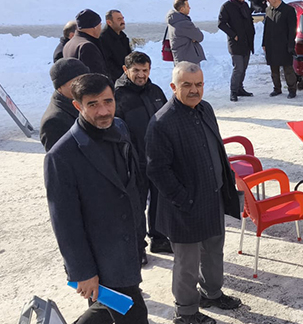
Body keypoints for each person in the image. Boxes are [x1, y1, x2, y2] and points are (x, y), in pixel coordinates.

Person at [44, 73, 149, 323]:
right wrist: (83, 272)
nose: (103, 111)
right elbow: (65, 222)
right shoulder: (62, 156)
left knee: (111, 312)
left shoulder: (120, 127)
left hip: (128, 249)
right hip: (101, 260)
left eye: (108, 101)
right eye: (93, 104)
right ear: (78, 105)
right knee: (130, 314)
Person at [146, 62, 243, 324]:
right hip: (185, 208)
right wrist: (185, 199)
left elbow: (217, 150)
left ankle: (212, 293)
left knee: (214, 252)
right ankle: (186, 311)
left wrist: (227, 184)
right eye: (187, 85)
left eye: (198, 84)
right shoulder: (162, 122)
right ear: (173, 87)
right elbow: (158, 171)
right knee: (187, 264)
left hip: (213, 199)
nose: (194, 90)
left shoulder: (205, 108)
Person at [114, 52, 170, 256]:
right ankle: (138, 248)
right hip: (133, 162)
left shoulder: (154, 91)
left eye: (145, 70)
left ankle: (159, 238)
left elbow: (167, 118)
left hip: (157, 159)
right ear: (125, 70)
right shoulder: (117, 96)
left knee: (160, 200)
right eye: (136, 70)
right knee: (136, 206)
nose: (141, 75)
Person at [40, 58, 90, 151]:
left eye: (85, 79)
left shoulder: (86, 101)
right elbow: (59, 160)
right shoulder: (53, 122)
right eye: (75, 83)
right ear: (59, 87)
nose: (83, 85)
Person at [218, 0, 256, 102]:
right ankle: (233, 91)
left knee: (244, 68)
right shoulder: (226, 7)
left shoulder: (244, 5)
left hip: (247, 42)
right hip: (235, 43)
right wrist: (233, 34)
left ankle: (240, 88)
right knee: (238, 68)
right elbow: (221, 23)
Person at [263, 0, 298, 98]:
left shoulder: (288, 10)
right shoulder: (268, 10)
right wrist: (264, 43)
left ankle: (292, 90)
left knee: (288, 70)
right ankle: (277, 88)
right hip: (271, 46)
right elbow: (266, 28)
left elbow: (292, 30)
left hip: (284, 45)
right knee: (274, 70)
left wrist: (291, 46)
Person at [64, 9, 108, 77]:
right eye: (100, 25)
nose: (100, 28)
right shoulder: (87, 46)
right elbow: (96, 76)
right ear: (95, 27)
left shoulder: (69, 44)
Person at [167, 0, 206, 64]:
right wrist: (193, 37)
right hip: (189, 60)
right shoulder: (184, 23)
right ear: (182, 9)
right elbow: (200, 37)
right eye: (187, 6)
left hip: (179, 58)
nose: (189, 8)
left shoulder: (173, 20)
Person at [100, 9, 132, 83]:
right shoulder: (103, 39)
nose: (123, 22)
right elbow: (107, 63)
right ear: (109, 22)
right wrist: (122, 76)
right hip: (114, 80)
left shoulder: (123, 37)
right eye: (119, 19)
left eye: (122, 18)